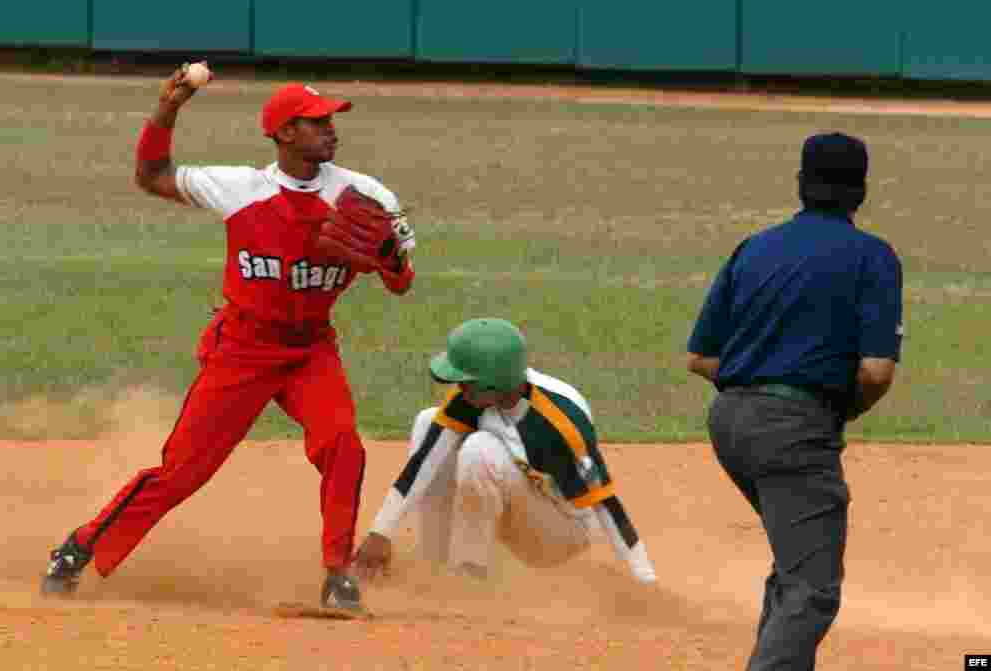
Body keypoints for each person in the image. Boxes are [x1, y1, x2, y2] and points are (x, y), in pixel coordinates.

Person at [40, 64, 417, 615]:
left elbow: (402, 282)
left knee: (343, 445)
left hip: (311, 348)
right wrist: (167, 110)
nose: (332, 128)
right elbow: (152, 176)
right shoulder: (241, 189)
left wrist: (391, 259)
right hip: (242, 348)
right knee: (182, 473)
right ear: (285, 133)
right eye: (317, 121)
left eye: (332, 119)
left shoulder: (366, 195)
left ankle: (338, 573)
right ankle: (77, 549)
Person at [686, 132, 902, 670]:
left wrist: (760, 393)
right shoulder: (872, 257)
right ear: (861, 191)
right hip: (794, 432)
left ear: (800, 185)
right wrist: (832, 409)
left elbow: (700, 358)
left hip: (729, 422)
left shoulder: (754, 247)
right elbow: (876, 370)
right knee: (813, 589)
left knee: (796, 563)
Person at [353, 317, 656, 585]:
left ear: (492, 383)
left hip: (561, 534)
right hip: (517, 507)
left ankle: (469, 575)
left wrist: (645, 580)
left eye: (465, 381)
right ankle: (435, 566)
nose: (459, 388)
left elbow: (606, 505)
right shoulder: (475, 396)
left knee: (479, 450)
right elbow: (424, 462)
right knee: (427, 422)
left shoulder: (560, 422)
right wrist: (380, 532)